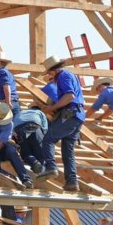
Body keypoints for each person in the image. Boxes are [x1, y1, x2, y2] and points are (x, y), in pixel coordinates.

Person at [33, 56, 86, 192]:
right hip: (77, 115)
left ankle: (51, 167)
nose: (49, 75)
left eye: (49, 72)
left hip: (70, 113)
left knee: (48, 138)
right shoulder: (70, 75)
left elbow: (70, 96)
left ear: (54, 70)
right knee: (68, 151)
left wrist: (51, 108)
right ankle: (72, 182)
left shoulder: (63, 76)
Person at [0, 102, 33, 189]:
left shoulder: (9, 124)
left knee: (12, 151)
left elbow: (1, 143)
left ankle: (26, 179)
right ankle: (6, 177)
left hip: (0, 145)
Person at [11, 104, 48, 174]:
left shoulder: (20, 114)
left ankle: (34, 162)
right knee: (40, 152)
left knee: (25, 153)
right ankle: (42, 170)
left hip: (20, 130)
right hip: (34, 127)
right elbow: (45, 130)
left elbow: (12, 132)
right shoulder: (40, 113)